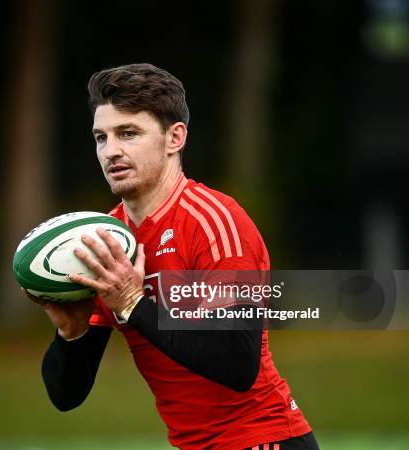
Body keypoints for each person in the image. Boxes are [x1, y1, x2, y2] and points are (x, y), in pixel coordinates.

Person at [30, 63, 319, 450]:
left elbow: (238, 364)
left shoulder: (214, 221)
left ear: (174, 138)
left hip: (263, 440)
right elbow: (66, 397)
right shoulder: (105, 241)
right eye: (101, 137)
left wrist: (134, 304)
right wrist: (71, 333)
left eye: (128, 133)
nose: (111, 150)